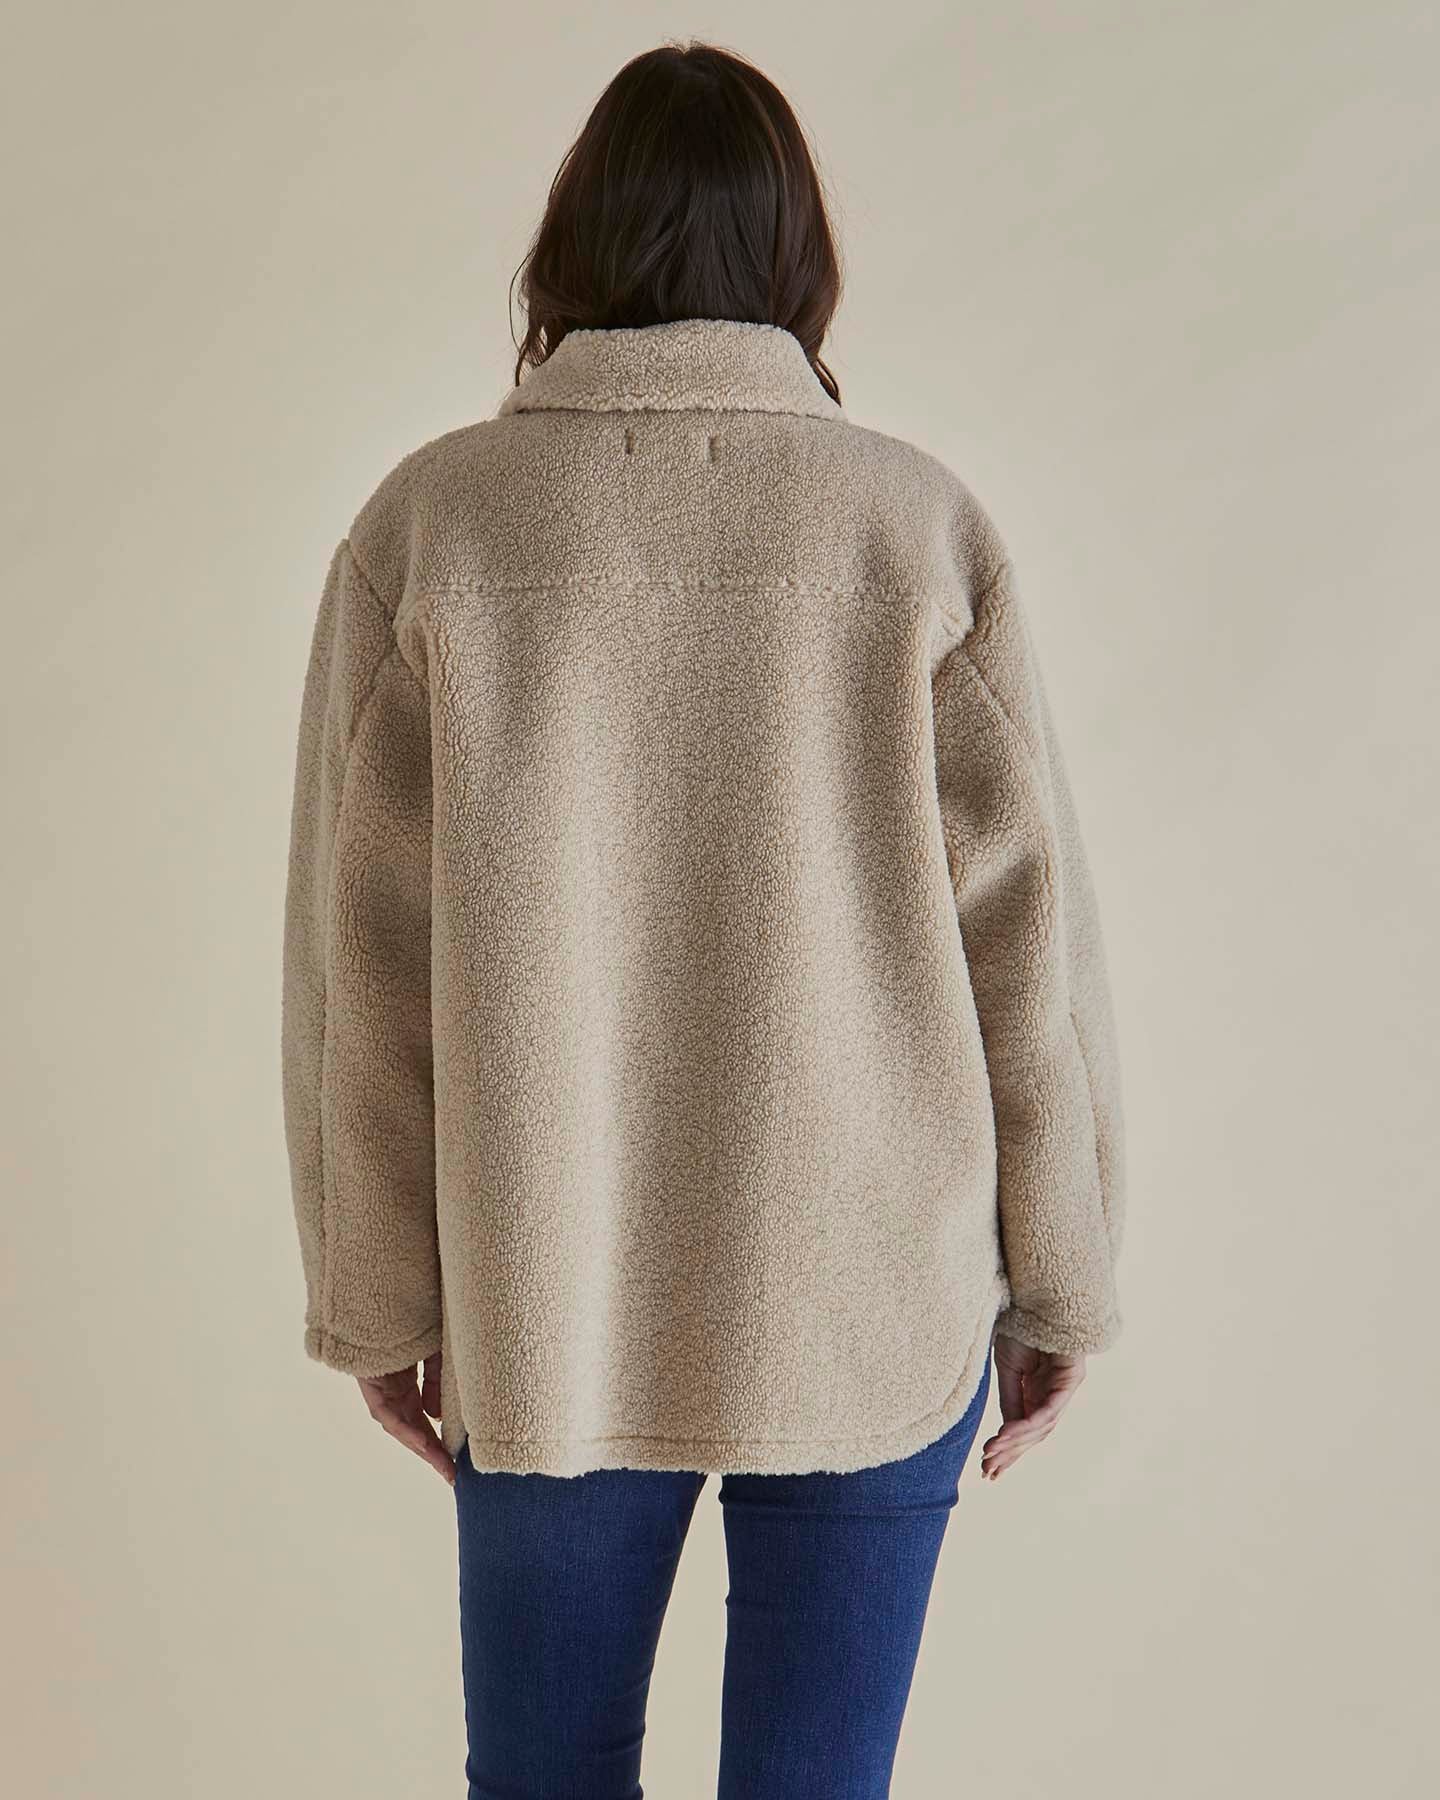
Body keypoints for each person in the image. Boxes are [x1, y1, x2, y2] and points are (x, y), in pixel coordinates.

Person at [280, 38, 1126, 1800]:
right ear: (800, 259)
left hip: (548, 1291)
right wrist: (1064, 1274)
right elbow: (1026, 950)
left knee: (543, 1777)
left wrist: (378, 1296)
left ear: (568, 245)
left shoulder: (433, 529)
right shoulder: (916, 529)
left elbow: (363, 971)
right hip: (874, 1294)